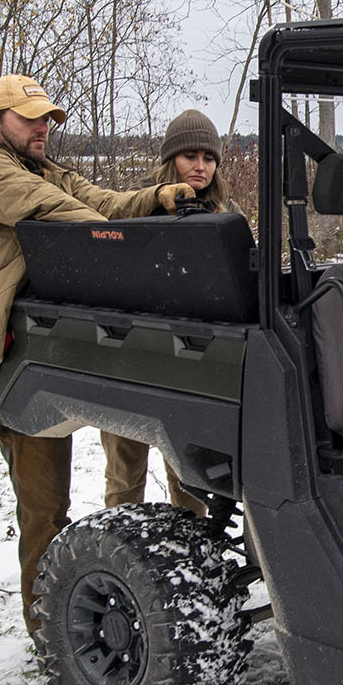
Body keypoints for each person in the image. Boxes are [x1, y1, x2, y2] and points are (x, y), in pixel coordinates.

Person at [0, 75, 195, 675]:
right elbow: (43, 209)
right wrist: (113, 238)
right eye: (29, 118)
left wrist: (158, 197)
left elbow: (103, 201)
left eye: (47, 117)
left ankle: (46, 620)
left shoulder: (52, 173)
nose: (43, 126)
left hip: (35, 357)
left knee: (46, 506)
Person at [102, 108, 231, 515]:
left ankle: (191, 546)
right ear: (170, 159)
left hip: (190, 364)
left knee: (191, 477)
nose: (200, 167)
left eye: (208, 158)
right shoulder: (133, 209)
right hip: (130, 358)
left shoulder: (223, 218)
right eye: (190, 156)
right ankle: (118, 545)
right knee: (124, 474)